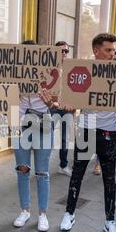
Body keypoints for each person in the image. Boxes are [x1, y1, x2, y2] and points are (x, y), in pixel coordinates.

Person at [58, 33, 116, 232]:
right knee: (78, 172)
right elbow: (72, 99)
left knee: (109, 178)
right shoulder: (83, 71)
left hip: (110, 128)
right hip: (88, 126)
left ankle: (110, 221)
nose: (112, 54)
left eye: (113, 50)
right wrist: (69, 104)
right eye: (108, 50)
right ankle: (69, 213)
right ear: (96, 51)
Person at [12, 40, 54, 232]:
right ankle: (25, 210)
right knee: (22, 170)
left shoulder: (50, 78)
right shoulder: (12, 76)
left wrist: (50, 101)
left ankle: (43, 214)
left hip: (43, 127)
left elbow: (59, 103)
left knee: (42, 172)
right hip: (19, 126)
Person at [92, 50, 116, 175]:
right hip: (104, 117)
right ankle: (98, 163)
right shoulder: (103, 75)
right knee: (102, 141)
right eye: (115, 59)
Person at [53, 41, 74, 177]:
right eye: (62, 51)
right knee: (46, 137)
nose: (65, 53)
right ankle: (42, 164)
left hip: (67, 107)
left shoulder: (72, 68)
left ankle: (63, 165)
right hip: (52, 107)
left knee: (65, 138)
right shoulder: (49, 68)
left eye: (66, 51)